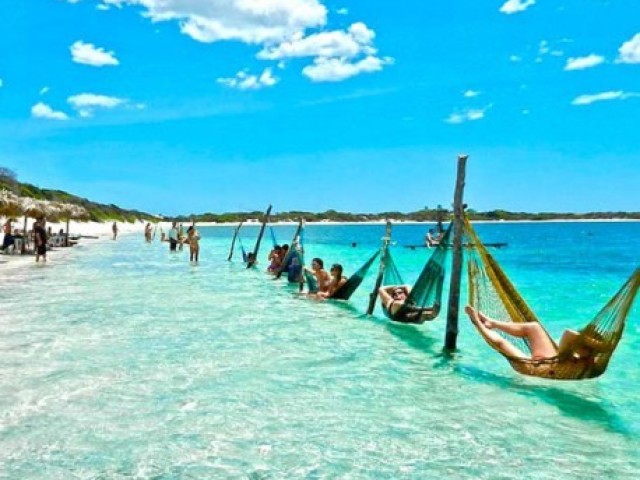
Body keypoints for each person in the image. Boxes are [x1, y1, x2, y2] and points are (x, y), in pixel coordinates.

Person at [464, 305, 588, 360]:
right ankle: (490, 323)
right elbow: (570, 335)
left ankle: (480, 322)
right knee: (502, 343)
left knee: (532, 328)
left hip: (544, 363)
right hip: (546, 363)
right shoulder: (581, 358)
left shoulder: (577, 357)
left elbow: (569, 333)